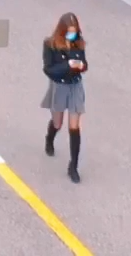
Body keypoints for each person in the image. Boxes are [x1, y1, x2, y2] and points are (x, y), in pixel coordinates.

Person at [41, 12, 89, 182]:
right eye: (69, 31)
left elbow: (85, 64)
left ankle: (73, 166)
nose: (72, 34)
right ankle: (49, 138)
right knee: (58, 123)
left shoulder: (78, 43)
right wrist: (67, 65)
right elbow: (48, 69)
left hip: (75, 85)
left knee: (74, 127)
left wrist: (81, 65)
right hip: (59, 85)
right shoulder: (50, 44)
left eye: (74, 31)